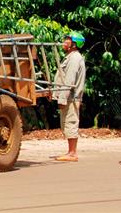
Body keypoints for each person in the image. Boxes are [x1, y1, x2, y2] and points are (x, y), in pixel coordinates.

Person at [51, 32, 86, 162]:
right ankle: (70, 151)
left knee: (71, 122)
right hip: (68, 96)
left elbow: (69, 80)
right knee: (67, 122)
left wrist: (62, 98)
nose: (64, 42)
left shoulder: (75, 58)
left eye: (67, 40)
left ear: (74, 44)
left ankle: (72, 153)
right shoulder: (70, 57)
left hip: (71, 97)